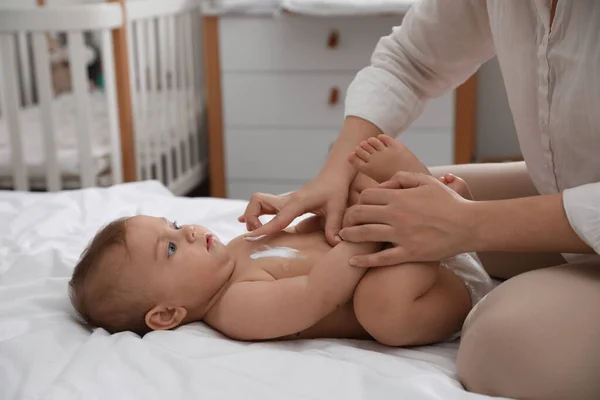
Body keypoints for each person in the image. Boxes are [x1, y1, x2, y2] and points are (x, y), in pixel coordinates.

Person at [239, 1, 600, 399]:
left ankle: (447, 248)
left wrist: (466, 224)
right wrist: (334, 174)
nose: (189, 233)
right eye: (170, 236)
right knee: (379, 189)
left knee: (502, 350)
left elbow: (316, 294)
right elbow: (410, 60)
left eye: (175, 229)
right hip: (569, 190)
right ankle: (447, 242)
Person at [68, 136, 492, 346]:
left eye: (175, 225)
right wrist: (369, 229)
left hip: (404, 250)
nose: (190, 231)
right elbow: (317, 290)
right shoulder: (235, 309)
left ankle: (441, 203)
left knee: (355, 173)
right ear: (166, 315)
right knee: (380, 310)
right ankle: (429, 211)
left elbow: (308, 238)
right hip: (423, 292)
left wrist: (311, 212)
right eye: (173, 248)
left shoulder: (234, 251)